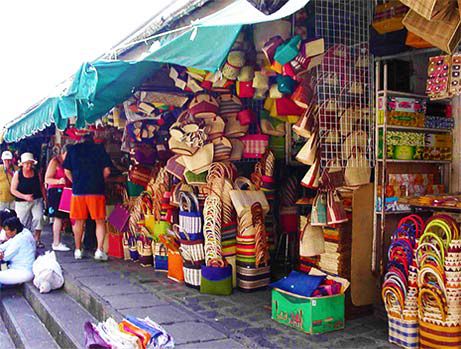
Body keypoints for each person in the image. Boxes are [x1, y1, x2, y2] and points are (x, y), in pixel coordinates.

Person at [63, 133, 112, 261]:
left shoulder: (72, 150)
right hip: (96, 190)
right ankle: (100, 250)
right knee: (100, 221)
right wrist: (99, 180)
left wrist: (75, 181)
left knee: (79, 221)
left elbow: (66, 170)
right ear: (92, 138)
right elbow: (107, 171)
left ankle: (78, 250)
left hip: (78, 190)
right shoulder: (100, 149)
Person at [10, 152, 45, 248]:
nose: (28, 165)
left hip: (36, 199)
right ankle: (23, 241)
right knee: (22, 222)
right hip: (22, 202)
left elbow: (41, 186)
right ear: (22, 164)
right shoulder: (18, 174)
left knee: (39, 218)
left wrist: (45, 199)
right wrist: (24, 196)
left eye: (30, 163)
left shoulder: (36, 172)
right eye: (26, 163)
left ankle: (37, 239)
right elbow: (13, 190)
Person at [44, 145, 71, 252]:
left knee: (66, 216)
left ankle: (58, 241)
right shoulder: (55, 162)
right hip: (56, 191)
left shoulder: (68, 162)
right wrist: (58, 181)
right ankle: (56, 242)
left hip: (67, 191)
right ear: (62, 153)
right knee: (58, 217)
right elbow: (47, 179)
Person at [0, 217, 36, 287]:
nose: (5, 232)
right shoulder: (22, 233)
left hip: (23, 272)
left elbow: (5, 257)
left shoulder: (19, 239)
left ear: (14, 230)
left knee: (2, 263)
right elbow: (3, 246)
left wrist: (1, 253)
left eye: (7, 230)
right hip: (19, 268)